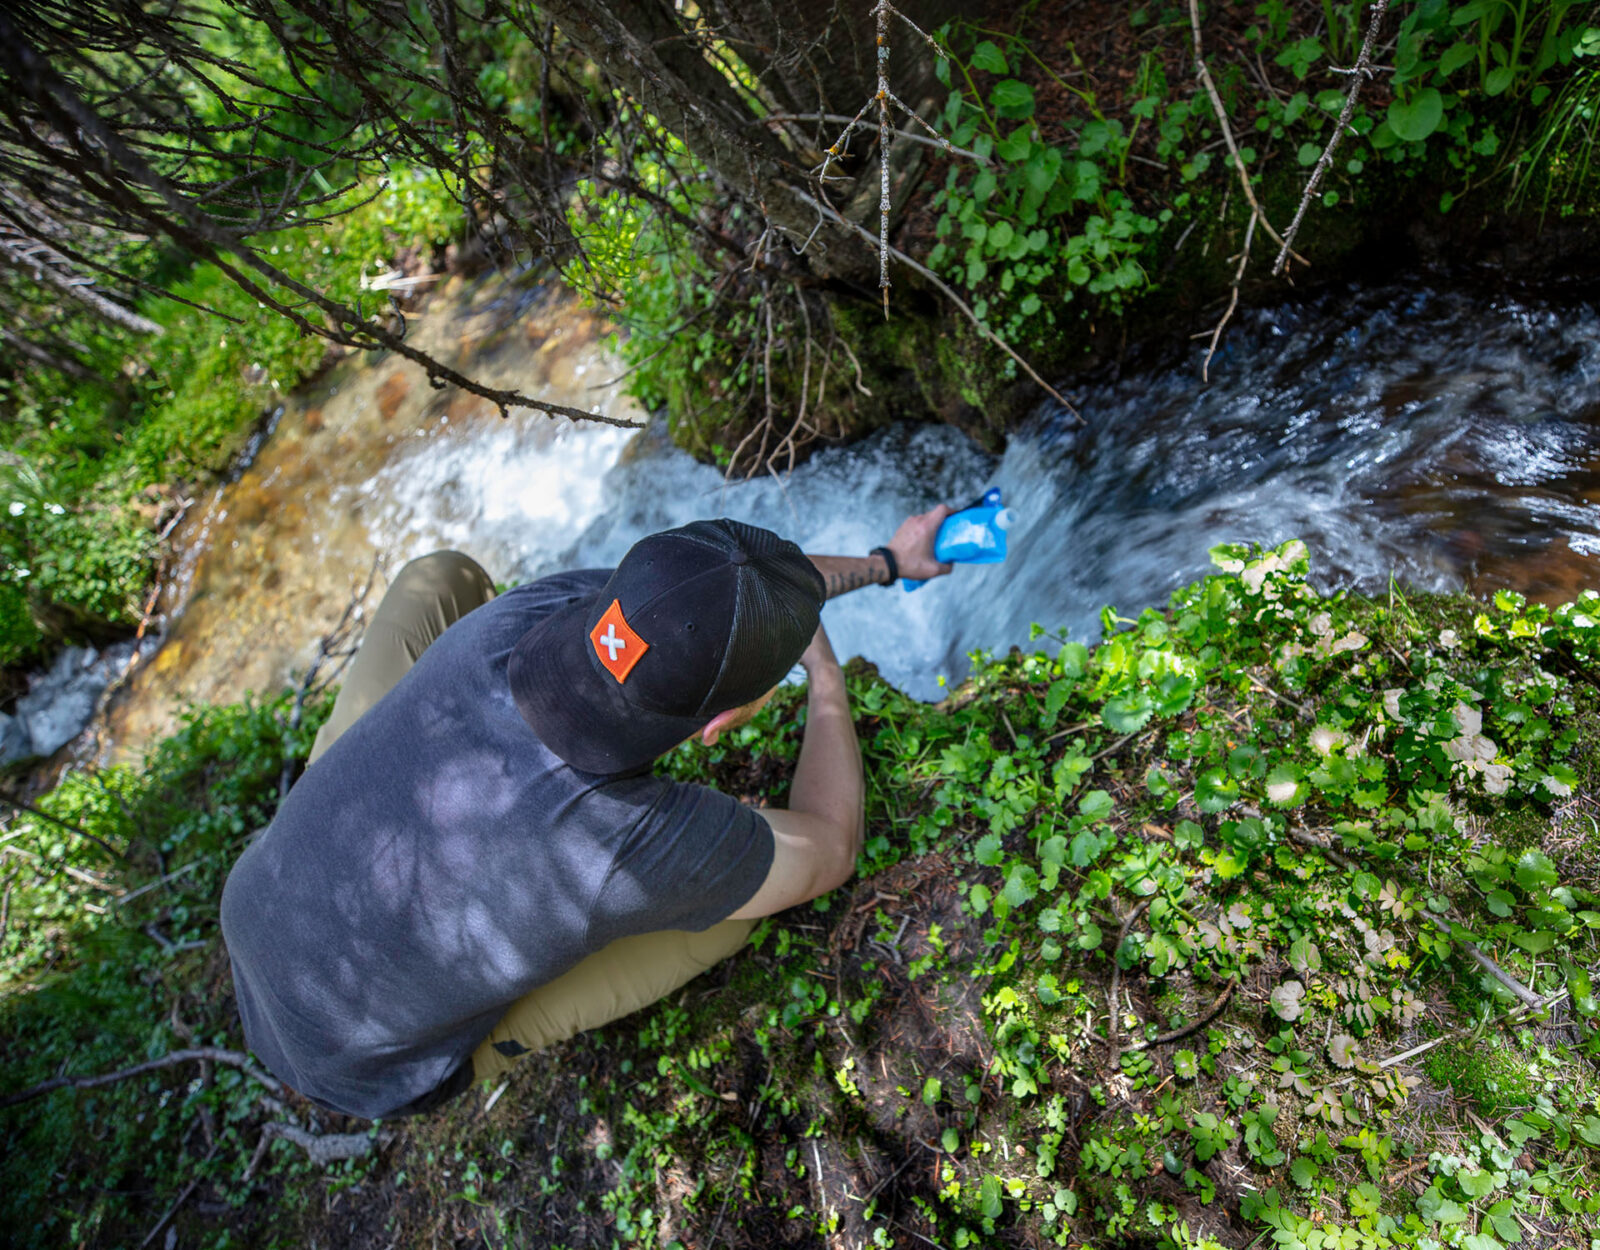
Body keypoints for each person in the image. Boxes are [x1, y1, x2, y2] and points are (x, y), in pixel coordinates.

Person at [219, 508, 953, 1119]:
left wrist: (887, 560)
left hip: (265, 895)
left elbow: (713, 597)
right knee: (736, 913)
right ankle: (467, 1048)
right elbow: (830, 848)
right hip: (357, 1068)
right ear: (723, 716)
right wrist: (825, 675)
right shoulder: (619, 846)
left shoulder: (533, 614)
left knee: (437, 581)